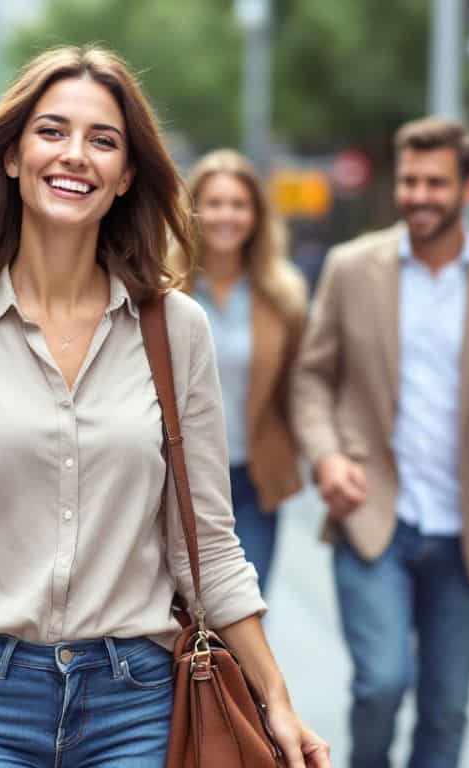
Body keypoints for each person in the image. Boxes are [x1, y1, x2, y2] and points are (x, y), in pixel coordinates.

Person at [0, 46, 330, 768]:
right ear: (12, 155)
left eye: (103, 140)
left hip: (134, 701)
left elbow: (211, 548)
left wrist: (276, 699)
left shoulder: (175, 331)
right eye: (51, 131)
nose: (75, 155)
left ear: (126, 176)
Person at [292, 116, 469, 767]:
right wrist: (326, 455)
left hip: (468, 532)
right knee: (381, 685)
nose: (418, 195)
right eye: (409, 181)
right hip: (373, 517)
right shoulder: (353, 268)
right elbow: (312, 377)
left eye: (434, 182)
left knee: (446, 708)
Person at [169, 148, 310, 595]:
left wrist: (325, 456)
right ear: (192, 212)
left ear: (256, 215)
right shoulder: (160, 289)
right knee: (178, 618)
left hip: (251, 480)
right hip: (175, 481)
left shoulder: (282, 295)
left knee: (243, 613)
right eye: (213, 203)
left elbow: (300, 389)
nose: (226, 216)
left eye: (238, 204)